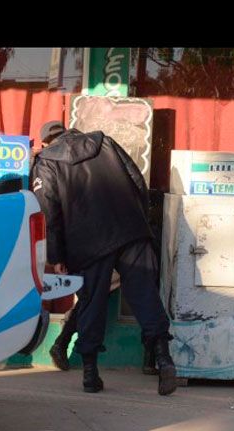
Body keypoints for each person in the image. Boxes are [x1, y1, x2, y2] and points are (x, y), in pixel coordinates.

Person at [33, 123, 176, 396]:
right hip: (130, 231)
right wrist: (140, 221)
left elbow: (47, 213)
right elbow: (137, 181)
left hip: (87, 242)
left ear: (46, 142)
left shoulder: (47, 162)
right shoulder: (105, 143)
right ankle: (163, 358)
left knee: (91, 302)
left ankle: (90, 373)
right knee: (145, 295)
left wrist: (56, 256)